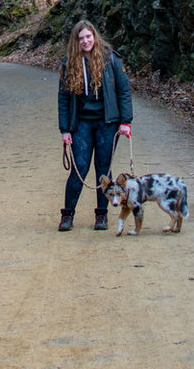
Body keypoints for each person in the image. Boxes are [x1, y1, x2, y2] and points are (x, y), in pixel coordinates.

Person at [58, 19, 133, 231]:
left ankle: (102, 215)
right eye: (81, 38)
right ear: (76, 41)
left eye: (88, 37)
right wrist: (65, 129)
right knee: (79, 168)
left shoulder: (111, 59)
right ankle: (67, 215)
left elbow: (124, 91)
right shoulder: (68, 63)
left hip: (107, 123)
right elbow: (63, 99)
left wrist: (125, 122)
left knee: (104, 169)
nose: (85, 41)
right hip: (80, 123)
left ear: (94, 36)